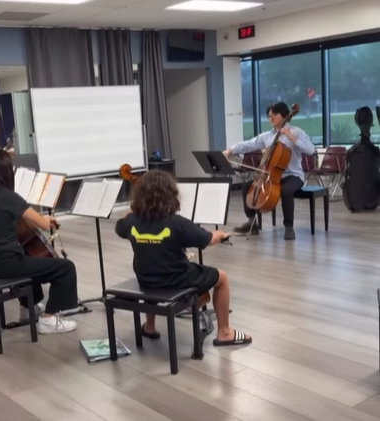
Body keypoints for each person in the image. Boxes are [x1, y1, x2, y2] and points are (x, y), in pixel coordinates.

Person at [115, 170, 252, 347]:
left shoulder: (132, 221)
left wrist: (133, 212)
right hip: (176, 279)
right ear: (170, 195)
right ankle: (225, 332)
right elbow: (207, 239)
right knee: (222, 278)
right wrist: (219, 234)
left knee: (153, 265)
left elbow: (120, 226)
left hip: (146, 279)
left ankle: (149, 326)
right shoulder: (176, 223)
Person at [0, 147, 78, 334]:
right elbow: (42, 223)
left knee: (28, 258)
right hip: (8, 262)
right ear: (4, 171)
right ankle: (48, 319)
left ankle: (28, 309)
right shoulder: (8, 196)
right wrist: (48, 219)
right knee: (65, 268)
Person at [223, 101, 315, 240]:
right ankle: (252, 223)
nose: (271, 118)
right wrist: (230, 150)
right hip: (271, 175)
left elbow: (310, 150)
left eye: (274, 115)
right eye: (269, 116)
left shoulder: (296, 132)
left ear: (285, 115)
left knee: (286, 191)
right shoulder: (267, 136)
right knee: (247, 186)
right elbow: (248, 144)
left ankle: (289, 227)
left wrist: (290, 137)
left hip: (293, 175)